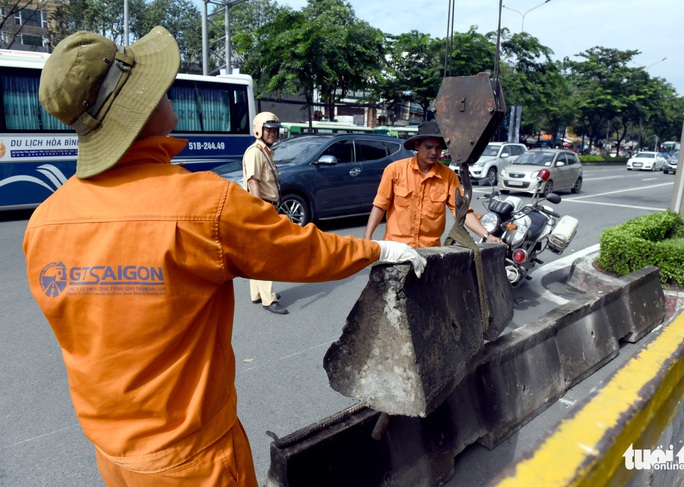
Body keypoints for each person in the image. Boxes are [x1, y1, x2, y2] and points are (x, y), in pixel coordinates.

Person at [23, 27, 425, 487]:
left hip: (111, 452)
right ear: (137, 109)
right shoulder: (202, 205)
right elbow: (306, 252)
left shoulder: (44, 221)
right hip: (192, 458)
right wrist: (379, 248)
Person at [363, 120, 502, 248]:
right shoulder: (395, 170)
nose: (434, 152)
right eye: (428, 147)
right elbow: (380, 205)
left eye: (438, 148)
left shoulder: (448, 176)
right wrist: (367, 237)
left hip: (429, 251)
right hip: (396, 247)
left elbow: (462, 211)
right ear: (417, 146)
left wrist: (486, 235)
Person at [243, 111, 287, 315]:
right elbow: (254, 182)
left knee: (257, 253)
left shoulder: (265, 152)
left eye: (275, 130)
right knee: (264, 256)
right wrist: (259, 211)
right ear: (259, 130)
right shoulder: (255, 152)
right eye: (269, 129)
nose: (273, 133)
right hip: (262, 207)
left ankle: (257, 294)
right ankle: (268, 300)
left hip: (269, 206)